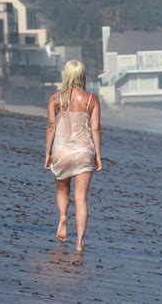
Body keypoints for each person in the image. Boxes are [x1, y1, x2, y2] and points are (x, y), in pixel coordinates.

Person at [45, 60, 102, 254]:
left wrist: (47, 152)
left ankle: (62, 217)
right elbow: (95, 128)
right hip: (84, 151)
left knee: (62, 191)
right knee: (81, 198)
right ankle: (79, 242)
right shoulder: (91, 99)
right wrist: (99, 155)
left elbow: (51, 127)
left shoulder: (55, 99)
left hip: (61, 151)